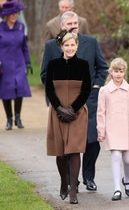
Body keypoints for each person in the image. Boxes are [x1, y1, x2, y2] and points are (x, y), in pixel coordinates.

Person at [41, 11, 108, 192]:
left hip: (88, 100)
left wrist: (96, 87)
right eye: (70, 23)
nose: (74, 26)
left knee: (91, 141)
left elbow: (103, 68)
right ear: (62, 26)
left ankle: (89, 177)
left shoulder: (91, 42)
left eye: (76, 23)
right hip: (62, 103)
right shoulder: (51, 46)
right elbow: (45, 75)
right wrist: (57, 100)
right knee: (67, 145)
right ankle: (72, 181)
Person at [45, 31, 91, 204]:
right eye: (67, 45)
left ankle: (73, 190)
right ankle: (63, 182)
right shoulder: (53, 65)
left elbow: (86, 89)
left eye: (73, 45)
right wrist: (59, 108)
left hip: (77, 113)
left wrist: (72, 109)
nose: (70, 48)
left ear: (77, 46)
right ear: (61, 46)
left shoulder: (83, 65)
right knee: (61, 153)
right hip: (57, 112)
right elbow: (49, 89)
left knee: (74, 151)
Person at [97, 57, 129, 201]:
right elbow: (101, 112)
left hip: (127, 128)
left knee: (128, 159)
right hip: (112, 129)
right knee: (116, 156)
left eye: (121, 71)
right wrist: (101, 130)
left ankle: (126, 180)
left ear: (124, 73)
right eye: (115, 71)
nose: (118, 74)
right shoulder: (104, 91)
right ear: (111, 72)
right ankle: (117, 189)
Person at [0, 1, 33, 130]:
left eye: (16, 14)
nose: (15, 17)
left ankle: (18, 117)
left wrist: (28, 62)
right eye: (12, 15)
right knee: (6, 90)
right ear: (6, 15)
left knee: (20, 88)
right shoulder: (0, 27)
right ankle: (9, 119)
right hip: (4, 63)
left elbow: (24, 46)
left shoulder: (20, 27)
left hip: (19, 62)